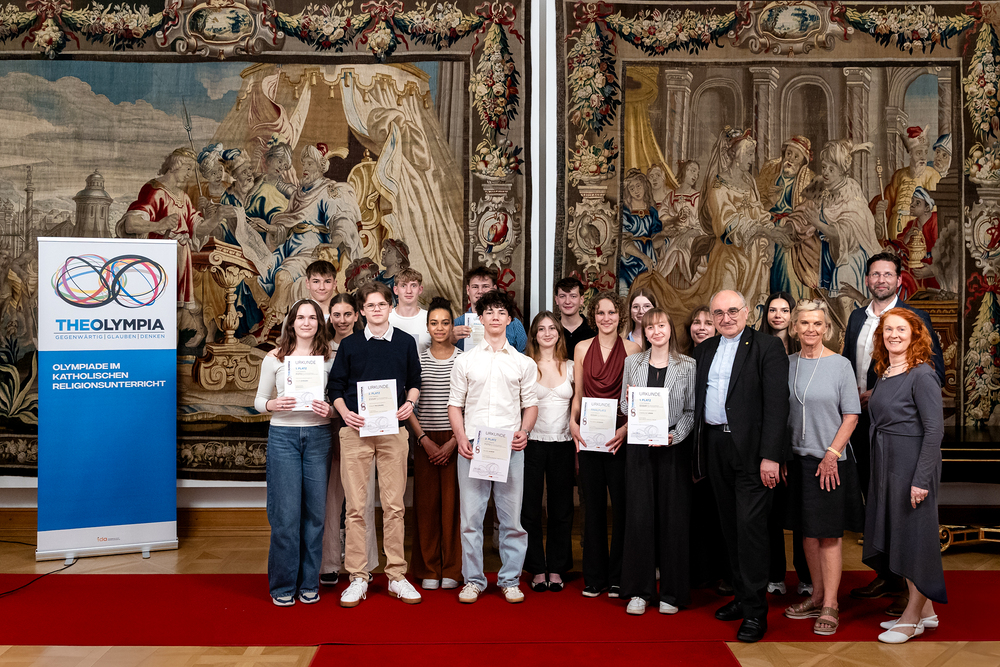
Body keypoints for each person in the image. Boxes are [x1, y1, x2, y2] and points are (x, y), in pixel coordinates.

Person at [842, 253, 945, 616]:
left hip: (898, 427)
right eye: (875, 274)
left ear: (899, 280)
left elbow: (934, 369)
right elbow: (847, 364)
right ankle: (888, 576)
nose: (881, 279)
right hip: (865, 427)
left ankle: (910, 592)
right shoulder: (857, 318)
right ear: (867, 279)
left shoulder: (913, 319)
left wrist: (883, 393)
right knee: (877, 502)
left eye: (888, 274)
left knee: (903, 509)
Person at [693, 289, 790, 643]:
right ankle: (740, 595)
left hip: (752, 452)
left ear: (747, 312)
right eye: (719, 313)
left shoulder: (767, 347)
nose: (726, 318)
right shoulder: (704, 350)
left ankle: (755, 612)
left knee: (750, 530)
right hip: (715, 446)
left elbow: (778, 405)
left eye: (733, 311)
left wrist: (772, 456)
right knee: (729, 527)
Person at [328, 282, 422, 607]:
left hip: (393, 432)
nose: (377, 310)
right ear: (362, 311)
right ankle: (358, 576)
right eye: (370, 305)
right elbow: (335, 387)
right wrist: (345, 413)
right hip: (355, 432)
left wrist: (410, 403)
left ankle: (396, 575)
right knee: (355, 507)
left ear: (390, 307)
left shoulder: (405, 342)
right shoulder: (350, 344)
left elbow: (415, 382)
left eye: (382, 304)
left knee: (394, 506)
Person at [448, 289, 538, 604]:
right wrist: (461, 437)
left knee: (511, 520)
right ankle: (473, 580)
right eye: (489, 312)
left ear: (509, 319)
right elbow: (454, 405)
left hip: (509, 446)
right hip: (473, 445)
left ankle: (510, 580)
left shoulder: (524, 363)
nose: (495, 317)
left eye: (501, 312)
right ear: (481, 318)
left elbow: (530, 405)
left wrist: (525, 430)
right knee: (471, 520)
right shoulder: (465, 361)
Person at [781, 300, 864, 636]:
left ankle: (831, 603)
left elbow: (852, 416)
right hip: (797, 462)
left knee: (828, 535)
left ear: (826, 328)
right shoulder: (786, 364)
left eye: (817, 323)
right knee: (807, 533)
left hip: (830, 462)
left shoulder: (841, 365)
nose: (811, 329)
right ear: (794, 328)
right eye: (804, 323)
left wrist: (831, 454)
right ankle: (815, 596)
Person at [865, 308, 946, 643]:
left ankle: (911, 618)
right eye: (888, 329)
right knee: (901, 537)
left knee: (915, 541)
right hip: (888, 464)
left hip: (912, 467)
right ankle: (927, 613)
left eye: (901, 329)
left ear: (915, 334)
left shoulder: (922, 374)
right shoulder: (884, 371)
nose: (893, 335)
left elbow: (934, 431)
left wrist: (921, 480)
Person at [253, 299, 334, 606]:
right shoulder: (274, 357)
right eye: (300, 317)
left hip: (318, 436)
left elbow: (337, 402)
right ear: (291, 322)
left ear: (319, 323)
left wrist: (330, 410)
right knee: (285, 515)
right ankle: (283, 585)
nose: (306, 322)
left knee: (315, 515)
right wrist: (272, 404)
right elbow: (259, 401)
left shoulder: (329, 358)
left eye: (312, 317)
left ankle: (309, 582)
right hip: (283, 437)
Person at [619, 308, 696, 615]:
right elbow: (624, 406)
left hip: (672, 449)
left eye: (661, 325)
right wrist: (629, 401)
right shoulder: (633, 362)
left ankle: (672, 594)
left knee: (673, 520)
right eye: (650, 327)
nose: (656, 331)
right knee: (639, 518)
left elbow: (691, 411)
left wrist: (674, 437)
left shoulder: (688, 365)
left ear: (670, 328)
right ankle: (640, 591)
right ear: (645, 332)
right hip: (639, 449)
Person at [118, 147, 235, 348]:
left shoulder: (183, 197)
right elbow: (130, 224)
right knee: (161, 304)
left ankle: (182, 342)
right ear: (175, 166)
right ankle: (154, 346)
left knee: (181, 305)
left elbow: (198, 229)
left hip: (181, 255)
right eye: (188, 169)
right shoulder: (154, 191)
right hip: (159, 257)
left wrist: (217, 217)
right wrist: (159, 224)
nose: (190, 174)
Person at [569, 291, 642, 598]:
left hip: (621, 439)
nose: (606, 318)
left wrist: (626, 430)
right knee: (593, 508)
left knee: (623, 508)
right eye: (601, 313)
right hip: (589, 437)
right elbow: (579, 394)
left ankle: (618, 576)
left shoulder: (633, 348)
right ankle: (594, 577)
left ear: (620, 316)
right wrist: (572, 422)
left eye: (612, 312)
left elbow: (637, 398)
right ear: (593, 316)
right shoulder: (582, 348)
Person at [258, 143, 363, 337]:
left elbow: (340, 220)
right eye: (303, 163)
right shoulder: (299, 194)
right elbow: (287, 225)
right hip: (289, 248)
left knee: (283, 277)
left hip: (311, 250)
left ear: (320, 167)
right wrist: (267, 227)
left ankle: (269, 329)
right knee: (258, 272)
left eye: (309, 164)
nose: (304, 168)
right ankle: (271, 322)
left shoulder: (328, 190)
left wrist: (333, 244)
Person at [318, 291, 380, 587]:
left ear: (357, 315)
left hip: (363, 427)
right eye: (336, 314)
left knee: (362, 498)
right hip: (326, 426)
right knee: (331, 498)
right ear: (330, 317)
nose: (342, 320)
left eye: (347, 314)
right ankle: (329, 562)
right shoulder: (319, 348)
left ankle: (363, 562)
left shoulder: (368, 344)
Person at [407, 297, 463, 591]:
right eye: (434, 323)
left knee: (453, 507)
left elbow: (469, 403)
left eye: (445, 322)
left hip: (456, 439)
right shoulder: (418, 359)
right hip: (424, 439)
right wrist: (423, 439)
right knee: (426, 506)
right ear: (427, 327)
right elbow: (408, 404)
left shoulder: (463, 360)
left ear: (453, 326)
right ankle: (429, 568)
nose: (439, 328)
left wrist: (455, 440)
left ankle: (453, 567)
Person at [757, 291, 810, 598]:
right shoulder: (758, 349)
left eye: (785, 310)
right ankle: (775, 575)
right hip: (772, 444)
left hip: (802, 443)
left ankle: (806, 577)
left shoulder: (805, 352)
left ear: (793, 316)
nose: (778, 315)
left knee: (802, 515)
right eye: (773, 310)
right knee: (772, 516)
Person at [522, 312, 575, 593]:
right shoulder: (525, 365)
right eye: (541, 329)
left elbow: (578, 406)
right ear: (534, 334)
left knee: (561, 509)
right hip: (531, 443)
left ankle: (556, 566)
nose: (547, 333)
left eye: (552, 328)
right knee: (529, 509)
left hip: (563, 443)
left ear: (559, 333)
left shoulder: (571, 366)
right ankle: (536, 567)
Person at [800, 140, 881, 297]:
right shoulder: (827, 190)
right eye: (824, 167)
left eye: (831, 169)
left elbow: (841, 232)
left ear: (842, 171)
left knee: (844, 295)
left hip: (850, 258)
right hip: (831, 255)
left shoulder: (850, 193)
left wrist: (817, 223)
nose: (826, 172)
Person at [757, 136, 815, 300]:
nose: (790, 159)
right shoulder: (771, 175)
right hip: (769, 224)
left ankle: (790, 302)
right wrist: (770, 201)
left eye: (796, 157)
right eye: (788, 153)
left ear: (802, 162)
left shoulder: (809, 179)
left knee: (785, 262)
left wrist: (789, 227)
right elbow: (757, 206)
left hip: (794, 229)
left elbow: (809, 213)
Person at [873, 126, 941, 241]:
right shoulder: (899, 175)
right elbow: (888, 202)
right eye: (918, 153)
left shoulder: (932, 175)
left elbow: (932, 210)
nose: (923, 157)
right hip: (895, 225)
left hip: (916, 227)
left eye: (925, 152)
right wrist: (880, 212)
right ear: (911, 153)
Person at [656, 160, 707, 290]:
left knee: (680, 249)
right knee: (672, 249)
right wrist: (674, 219)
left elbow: (704, 224)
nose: (695, 175)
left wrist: (689, 233)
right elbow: (661, 217)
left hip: (692, 238)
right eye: (692, 171)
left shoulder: (698, 197)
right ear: (684, 171)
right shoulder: (671, 196)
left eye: (697, 173)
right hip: (672, 236)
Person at [453, 266, 528, 353]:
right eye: (475, 287)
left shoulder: (514, 324)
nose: (480, 291)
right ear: (468, 290)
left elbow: (526, 354)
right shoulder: (456, 324)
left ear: (494, 289)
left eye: (485, 286)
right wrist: (448, 340)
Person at [889, 187, 941, 299]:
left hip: (933, 273)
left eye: (917, 203)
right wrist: (906, 238)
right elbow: (899, 244)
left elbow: (943, 254)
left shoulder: (935, 222)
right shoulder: (912, 225)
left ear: (927, 208)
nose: (911, 205)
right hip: (915, 269)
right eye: (912, 201)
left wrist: (931, 271)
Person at [619, 168, 663, 292]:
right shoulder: (625, 212)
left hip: (649, 257)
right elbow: (623, 241)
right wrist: (642, 257)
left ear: (645, 186)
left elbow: (655, 239)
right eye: (631, 188)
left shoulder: (652, 211)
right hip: (629, 260)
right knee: (626, 292)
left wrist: (664, 235)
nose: (636, 191)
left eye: (638, 186)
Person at [388, 267, 431, 353]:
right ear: (396, 290)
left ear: (420, 289)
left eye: (413, 285)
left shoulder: (430, 318)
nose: (408, 291)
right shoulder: (386, 318)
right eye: (403, 286)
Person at [554, 276, 594, 360]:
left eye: (573, 296)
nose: (567, 301)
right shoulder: (551, 331)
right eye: (562, 296)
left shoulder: (594, 330)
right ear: (556, 300)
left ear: (581, 299)